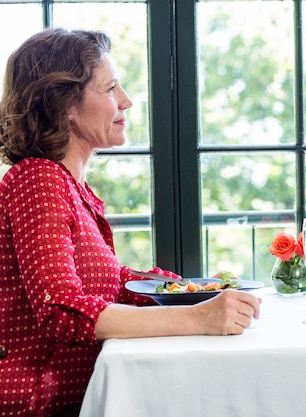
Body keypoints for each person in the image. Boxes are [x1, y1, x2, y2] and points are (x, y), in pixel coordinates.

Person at [0, 28, 262, 417]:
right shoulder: (37, 178)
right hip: (40, 402)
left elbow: (108, 282)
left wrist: (197, 289)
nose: (127, 101)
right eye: (110, 89)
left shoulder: (71, 187)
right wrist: (196, 316)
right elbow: (61, 307)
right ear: (64, 104)